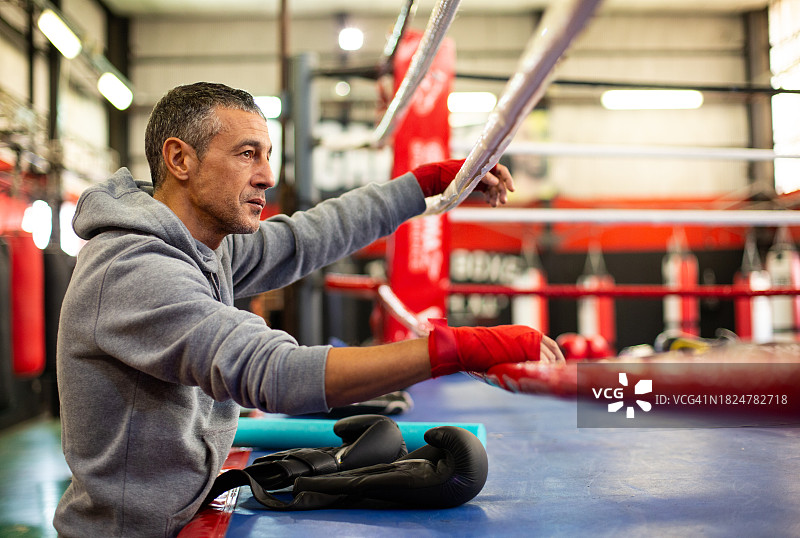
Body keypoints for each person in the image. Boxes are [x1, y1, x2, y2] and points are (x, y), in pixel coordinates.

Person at [53, 82, 564, 536]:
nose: (267, 175)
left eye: (267, 154)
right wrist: (455, 347)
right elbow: (274, 372)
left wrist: (422, 186)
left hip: (185, 512)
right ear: (180, 159)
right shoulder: (135, 269)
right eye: (247, 154)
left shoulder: (203, 245)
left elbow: (307, 237)